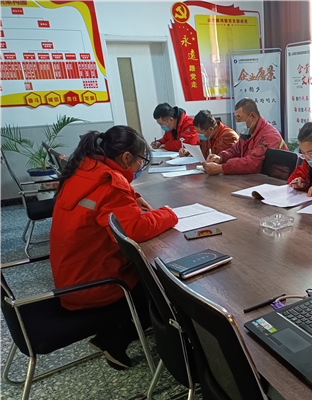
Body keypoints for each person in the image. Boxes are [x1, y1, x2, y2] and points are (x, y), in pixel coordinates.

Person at [50, 126, 178, 369]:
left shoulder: (85, 169)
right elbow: (135, 230)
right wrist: (168, 214)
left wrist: (131, 196)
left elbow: (102, 203)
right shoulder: (110, 185)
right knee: (161, 289)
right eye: (141, 160)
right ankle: (114, 339)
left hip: (71, 275)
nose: (141, 166)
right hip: (95, 284)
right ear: (127, 157)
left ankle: (111, 332)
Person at [203, 98, 288, 175]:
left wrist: (222, 168)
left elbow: (253, 164)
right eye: (236, 118)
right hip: (256, 178)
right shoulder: (248, 131)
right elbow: (235, 150)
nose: (237, 122)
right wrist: (220, 158)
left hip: (276, 181)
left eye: (239, 118)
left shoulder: (269, 135)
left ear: (253, 117)